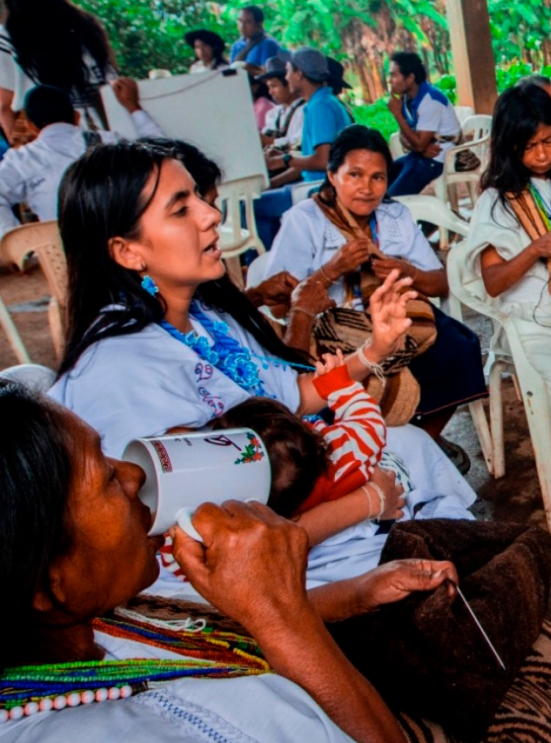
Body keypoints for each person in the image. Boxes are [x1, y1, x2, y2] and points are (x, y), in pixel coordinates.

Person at [46, 139, 477, 597]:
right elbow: (214, 548)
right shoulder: (121, 373)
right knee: (452, 565)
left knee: (415, 444)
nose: (211, 215)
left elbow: (296, 394)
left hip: (306, 494)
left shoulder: (209, 320)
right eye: (181, 208)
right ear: (127, 252)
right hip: (261, 566)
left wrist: (372, 350)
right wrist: (364, 502)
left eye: (200, 198)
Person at [0, 383, 451, 743]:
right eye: (106, 478)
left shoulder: (86, 624)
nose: (134, 475)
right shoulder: (157, 742)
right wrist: (286, 616)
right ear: (48, 580)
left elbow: (206, 625)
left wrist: (355, 594)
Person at [257, 125, 487, 469]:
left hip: (391, 319)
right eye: (354, 175)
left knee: (459, 346)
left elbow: (440, 284)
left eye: (378, 177)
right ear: (332, 175)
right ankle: (378, 447)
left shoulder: (394, 216)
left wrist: (406, 271)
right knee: (346, 378)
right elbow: (278, 304)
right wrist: (331, 270)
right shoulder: (303, 221)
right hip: (332, 334)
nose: (367, 188)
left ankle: (425, 439)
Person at [460, 82, 551, 552]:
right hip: (534, 317)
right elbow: (495, 281)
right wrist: (535, 250)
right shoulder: (496, 202)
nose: (541, 154)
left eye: (549, 141)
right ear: (508, 146)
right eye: (528, 146)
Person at [211, 357, 405, 534]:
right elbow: (369, 423)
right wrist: (340, 386)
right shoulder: (341, 451)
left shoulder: (258, 505)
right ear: (300, 423)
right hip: (374, 520)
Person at [0, 82, 162, 233]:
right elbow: (160, 154)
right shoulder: (109, 142)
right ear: (76, 117)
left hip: (60, 255)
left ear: (30, 126)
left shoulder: (22, 159)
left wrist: (16, 245)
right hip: (120, 242)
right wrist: (134, 108)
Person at [0, 0, 116, 140]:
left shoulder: (7, 36)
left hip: (37, 132)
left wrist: (19, 147)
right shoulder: (85, 26)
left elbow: (4, 105)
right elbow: (108, 86)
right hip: (93, 126)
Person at [257, 47, 354, 249]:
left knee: (253, 207)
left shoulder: (320, 107)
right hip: (315, 183)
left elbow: (322, 160)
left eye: (288, 70)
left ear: (299, 74)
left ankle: (268, 266)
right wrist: (277, 173)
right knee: (265, 197)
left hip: (320, 188)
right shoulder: (320, 102)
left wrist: (284, 160)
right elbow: (312, 158)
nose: (286, 75)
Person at [386, 50, 461, 197]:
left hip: (438, 160)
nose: (390, 81)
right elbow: (404, 136)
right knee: (383, 178)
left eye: (394, 75)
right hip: (420, 156)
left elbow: (417, 142)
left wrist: (397, 114)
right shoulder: (407, 98)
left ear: (410, 78)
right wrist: (419, 147)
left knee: (392, 197)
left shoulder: (430, 101)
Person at [259, 54, 305, 150]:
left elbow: (299, 140)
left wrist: (272, 142)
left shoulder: (304, 110)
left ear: (289, 84)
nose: (270, 92)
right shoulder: (274, 113)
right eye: (269, 87)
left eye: (274, 86)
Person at [228, 5, 284, 72]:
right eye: (240, 21)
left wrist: (250, 68)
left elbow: (269, 74)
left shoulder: (268, 44)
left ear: (258, 24)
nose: (242, 26)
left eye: (248, 22)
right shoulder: (236, 46)